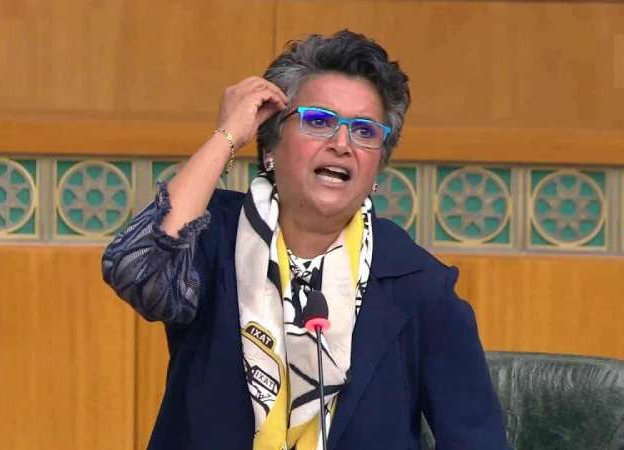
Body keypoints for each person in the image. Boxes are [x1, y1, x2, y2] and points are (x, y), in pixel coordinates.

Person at [102, 30, 508, 450]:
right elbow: (137, 268)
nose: (342, 144)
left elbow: (477, 440)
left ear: (377, 168)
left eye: (364, 131)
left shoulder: (417, 283)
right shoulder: (215, 238)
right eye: (319, 121)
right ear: (270, 147)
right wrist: (227, 136)